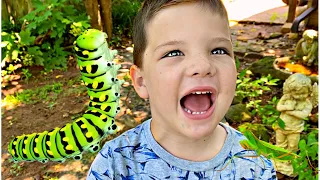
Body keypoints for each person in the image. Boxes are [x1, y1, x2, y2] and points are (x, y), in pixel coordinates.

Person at [87, 0, 277, 179]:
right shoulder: (113, 166)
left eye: (218, 50)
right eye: (174, 53)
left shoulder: (256, 164)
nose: (202, 66)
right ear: (142, 82)